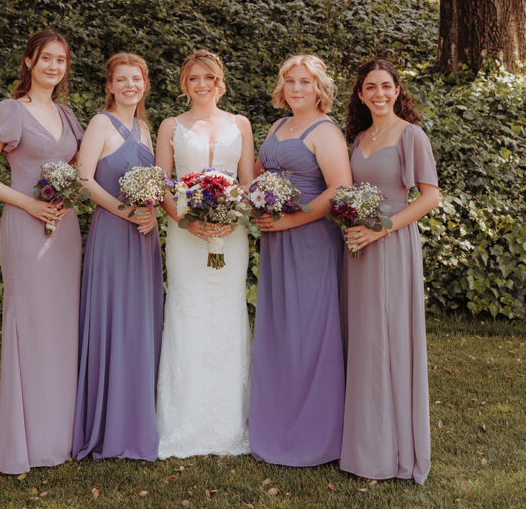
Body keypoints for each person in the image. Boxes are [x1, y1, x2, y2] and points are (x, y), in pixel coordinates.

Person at [0, 30, 84, 474]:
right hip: (25, 225)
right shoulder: (10, 111)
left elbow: (74, 174)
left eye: (61, 60)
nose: (54, 66)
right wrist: (30, 203)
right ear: (29, 62)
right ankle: (25, 440)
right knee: (30, 323)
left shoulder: (69, 116)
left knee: (61, 325)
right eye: (46, 58)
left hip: (64, 228)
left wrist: (63, 201)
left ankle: (61, 432)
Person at [340, 58, 440, 484]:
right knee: (361, 339)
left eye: (386, 86)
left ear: (397, 90)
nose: (379, 94)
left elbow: (429, 198)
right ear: (360, 95)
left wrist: (379, 230)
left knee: (386, 339)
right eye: (370, 88)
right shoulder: (358, 137)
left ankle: (388, 452)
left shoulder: (411, 136)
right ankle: (361, 442)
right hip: (356, 250)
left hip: (391, 245)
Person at [248, 54, 351, 466]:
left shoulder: (325, 132)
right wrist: (253, 201)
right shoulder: (277, 126)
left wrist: (290, 221)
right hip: (276, 242)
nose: (296, 88)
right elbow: (256, 174)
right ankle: (277, 422)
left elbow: (340, 189)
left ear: (319, 87)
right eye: (290, 81)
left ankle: (314, 434)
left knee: (309, 334)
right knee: (280, 330)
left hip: (309, 241)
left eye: (305, 82)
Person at [155, 50, 255, 458]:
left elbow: (248, 181)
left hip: (232, 232)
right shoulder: (170, 126)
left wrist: (235, 216)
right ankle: (181, 421)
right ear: (184, 83)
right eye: (193, 78)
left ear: (219, 82)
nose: (201, 85)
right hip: (185, 230)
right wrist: (186, 220)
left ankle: (231, 422)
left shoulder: (241, 124)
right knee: (188, 310)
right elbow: (161, 183)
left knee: (228, 312)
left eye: (208, 78)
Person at [72, 52, 163, 461]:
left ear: (145, 84)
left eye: (137, 79)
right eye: (122, 79)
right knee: (115, 322)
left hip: (144, 236)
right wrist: (126, 211)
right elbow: (83, 179)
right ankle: (108, 423)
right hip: (112, 234)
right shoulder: (99, 123)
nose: (130, 85)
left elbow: (155, 185)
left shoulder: (146, 128)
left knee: (139, 324)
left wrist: (152, 213)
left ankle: (137, 417)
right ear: (109, 86)